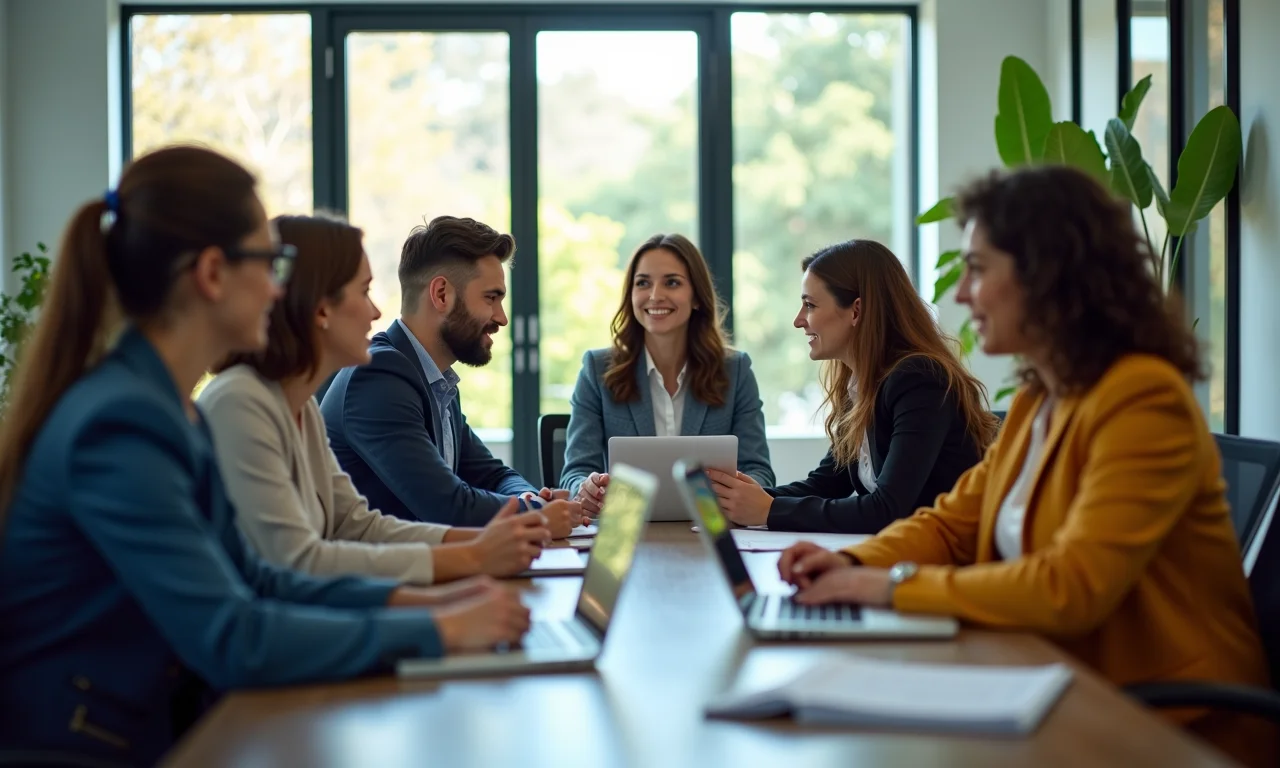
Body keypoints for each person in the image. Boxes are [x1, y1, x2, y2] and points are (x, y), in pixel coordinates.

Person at [0, 147, 529, 765]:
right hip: (92, 747)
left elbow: (262, 580)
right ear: (212, 274)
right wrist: (437, 628)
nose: (282, 290)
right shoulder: (121, 424)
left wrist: (442, 602)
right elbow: (233, 633)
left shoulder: (174, 409)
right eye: (272, 263)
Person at [779, 166, 1274, 767]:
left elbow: (1071, 586)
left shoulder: (1144, 398)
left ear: (1046, 275)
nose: (961, 294)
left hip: (1167, 726)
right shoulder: (1042, 397)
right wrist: (849, 561)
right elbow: (949, 522)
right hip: (1051, 682)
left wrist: (888, 585)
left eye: (978, 270)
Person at [200, 214, 551, 585]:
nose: (376, 312)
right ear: (321, 309)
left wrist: (491, 545)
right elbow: (299, 562)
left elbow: (358, 525)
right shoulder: (241, 403)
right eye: (364, 292)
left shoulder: (302, 410)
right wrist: (470, 570)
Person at [708, 239, 996, 533]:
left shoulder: (920, 378)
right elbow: (827, 483)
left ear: (856, 311)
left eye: (809, 305)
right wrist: (742, 500)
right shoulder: (861, 384)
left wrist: (769, 510)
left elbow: (887, 509)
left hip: (947, 561)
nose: (798, 321)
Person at [321, 215, 581, 533]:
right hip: (386, 576)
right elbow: (447, 506)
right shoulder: (379, 376)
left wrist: (526, 497)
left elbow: (492, 474)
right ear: (442, 294)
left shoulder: (436, 380)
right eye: (491, 298)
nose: (501, 318)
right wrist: (536, 511)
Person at [562, 233, 773, 516]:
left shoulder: (735, 370)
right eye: (643, 283)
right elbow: (574, 473)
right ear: (631, 295)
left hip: (710, 528)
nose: (655, 295)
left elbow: (759, 472)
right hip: (624, 532)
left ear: (697, 296)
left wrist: (742, 494)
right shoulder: (597, 369)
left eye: (672, 282)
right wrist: (585, 489)